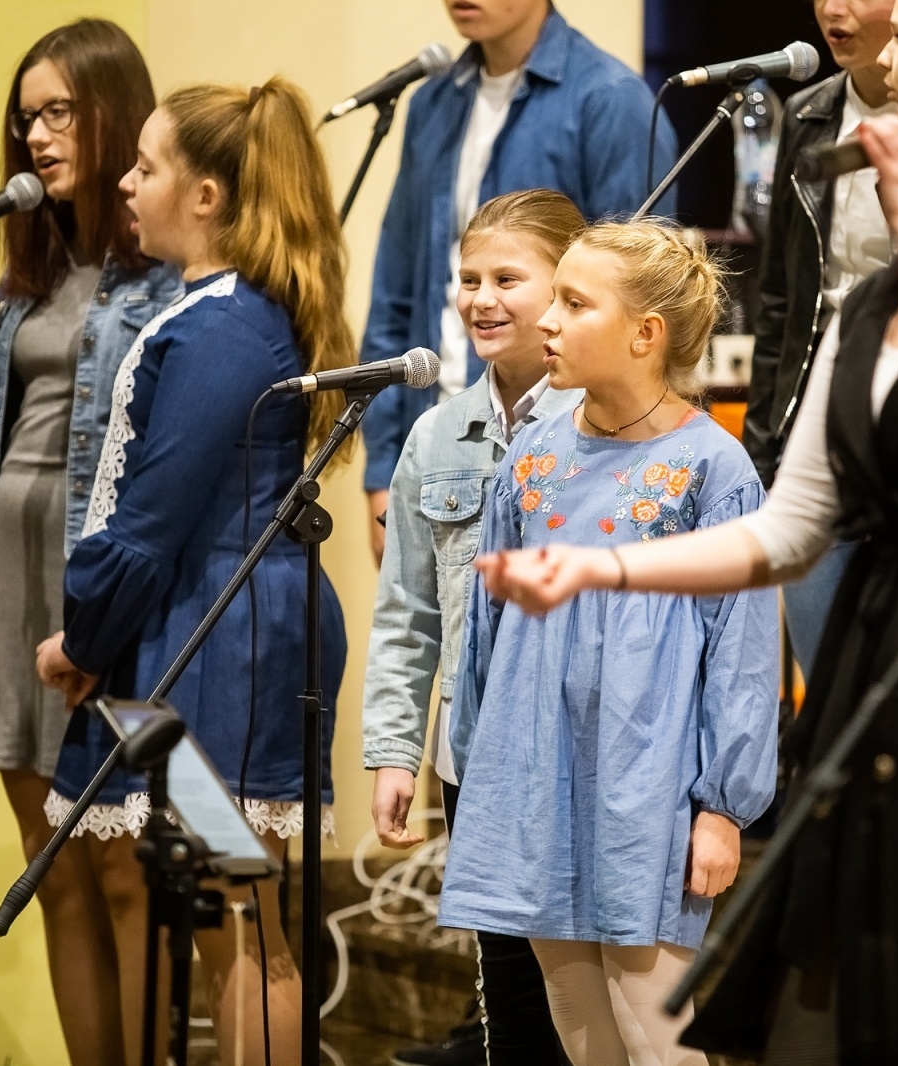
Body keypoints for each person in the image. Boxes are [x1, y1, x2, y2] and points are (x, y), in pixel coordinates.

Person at [474, 0, 898, 1061]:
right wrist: (600, 562)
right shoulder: (869, 304)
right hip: (881, 676)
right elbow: (786, 528)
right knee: (865, 1007)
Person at [33, 77, 353, 1065]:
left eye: (147, 166)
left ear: (207, 196)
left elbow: (151, 517)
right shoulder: (218, 310)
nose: (126, 184)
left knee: (243, 923)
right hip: (205, 623)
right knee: (230, 920)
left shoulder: (224, 326)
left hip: (226, 639)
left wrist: (81, 637)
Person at [438, 221, 780, 1066]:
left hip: (646, 791)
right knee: (579, 1029)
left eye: (573, 302)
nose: (546, 321)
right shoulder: (531, 458)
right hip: (533, 780)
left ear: (645, 334)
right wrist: (481, 765)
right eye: (551, 298)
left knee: (652, 1031)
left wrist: (723, 807)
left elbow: (740, 657)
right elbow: (487, 631)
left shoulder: (713, 471)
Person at [0, 20, 182, 1065]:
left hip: (101, 584)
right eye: (24, 116)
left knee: (122, 860)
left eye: (58, 113)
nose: (34, 136)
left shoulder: (166, 276)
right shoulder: (26, 272)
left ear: (111, 115)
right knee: (50, 866)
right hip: (6, 573)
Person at [364, 188, 586, 1064]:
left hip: (575, 751)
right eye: (468, 279)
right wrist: (393, 750)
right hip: (472, 756)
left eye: (507, 278)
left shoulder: (606, 427)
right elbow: (409, 610)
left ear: (567, 289)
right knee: (510, 999)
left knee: (590, 995)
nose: (481, 298)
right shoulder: (434, 436)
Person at [358, 0, 677, 564]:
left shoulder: (610, 100)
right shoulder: (432, 102)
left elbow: (639, 295)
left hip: (570, 444)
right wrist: (383, 466)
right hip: (442, 439)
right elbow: (396, 292)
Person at [742, 0, 895, 679]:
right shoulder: (807, 113)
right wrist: (762, 442)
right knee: (822, 668)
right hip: (819, 402)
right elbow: (781, 296)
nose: (834, 10)